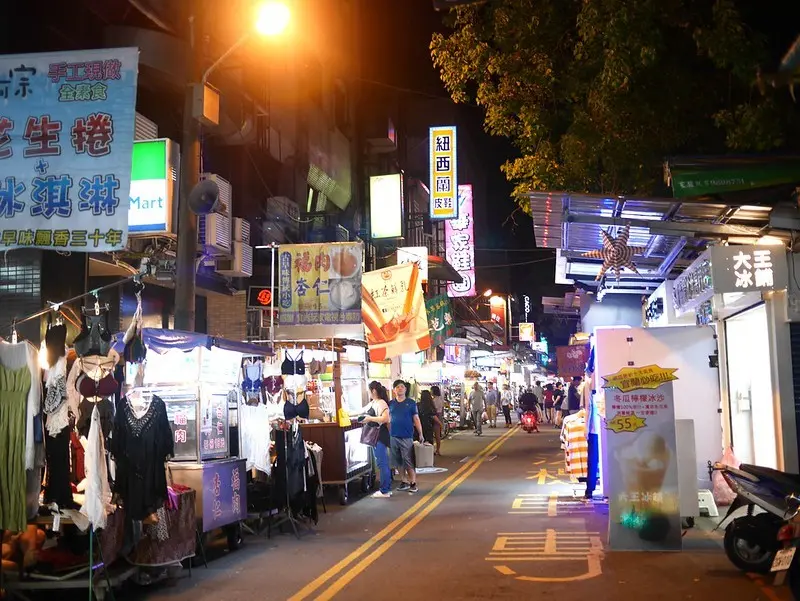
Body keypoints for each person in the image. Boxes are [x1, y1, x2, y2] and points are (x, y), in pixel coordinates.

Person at [389, 379, 424, 493]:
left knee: (408, 460)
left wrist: (420, 433)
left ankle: (413, 482)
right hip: (394, 436)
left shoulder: (411, 403)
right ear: (394, 390)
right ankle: (403, 481)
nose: (400, 388)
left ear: (405, 389)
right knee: (398, 461)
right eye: (397, 387)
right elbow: (388, 419)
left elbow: (416, 418)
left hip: (407, 436)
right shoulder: (391, 404)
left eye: (402, 387)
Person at [363, 381, 392, 498]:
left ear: (373, 391)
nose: (369, 393)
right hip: (379, 436)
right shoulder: (374, 403)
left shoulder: (381, 403)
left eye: (369, 390)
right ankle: (386, 488)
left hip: (380, 436)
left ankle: (385, 490)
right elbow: (361, 410)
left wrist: (370, 418)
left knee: (382, 463)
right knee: (382, 462)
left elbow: (385, 418)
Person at [431, 385, 444, 455]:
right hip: (439, 416)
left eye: (431, 390)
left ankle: (436, 450)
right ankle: (438, 449)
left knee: (436, 435)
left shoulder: (435, 400)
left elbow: (434, 410)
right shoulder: (441, 399)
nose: (431, 392)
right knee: (437, 435)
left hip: (435, 416)